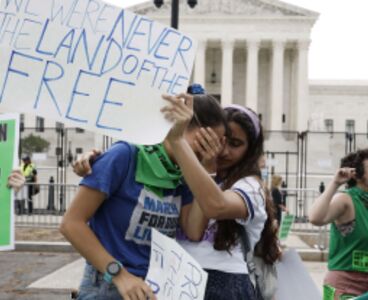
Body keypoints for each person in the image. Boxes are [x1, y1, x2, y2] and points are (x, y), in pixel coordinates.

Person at [60, 93, 227, 300]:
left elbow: (193, 230)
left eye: (216, 146)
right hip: (109, 283)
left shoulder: (184, 174)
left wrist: (207, 168)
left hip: (152, 286)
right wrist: (119, 275)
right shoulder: (125, 155)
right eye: (204, 142)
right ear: (179, 127)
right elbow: (71, 223)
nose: (210, 151)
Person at [163, 99, 281, 300]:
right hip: (179, 278)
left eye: (235, 144)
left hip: (225, 282)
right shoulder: (188, 174)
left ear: (250, 150)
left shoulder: (250, 186)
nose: (224, 151)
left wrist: (206, 166)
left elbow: (215, 206)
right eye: (220, 141)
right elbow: (193, 231)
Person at [309, 149, 368, 299]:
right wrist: (335, 183)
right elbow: (316, 218)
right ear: (357, 174)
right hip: (345, 286)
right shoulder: (346, 200)